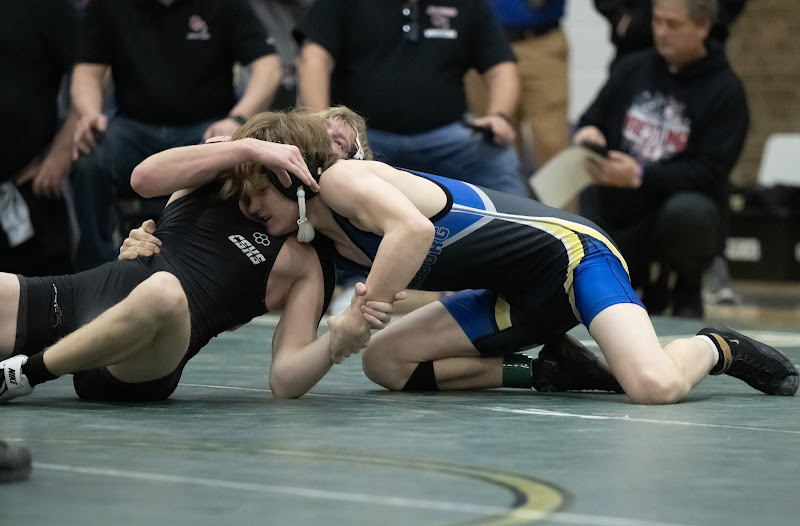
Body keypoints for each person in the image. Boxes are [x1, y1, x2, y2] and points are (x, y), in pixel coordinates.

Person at [115, 109, 798, 405]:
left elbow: (412, 234)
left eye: (254, 195)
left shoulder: (345, 183)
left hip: (573, 257)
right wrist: (157, 241)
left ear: (288, 172)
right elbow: (151, 180)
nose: (248, 211)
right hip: (513, 294)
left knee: (651, 387)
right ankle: (552, 370)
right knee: (386, 363)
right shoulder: (310, 235)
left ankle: (715, 347)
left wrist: (363, 309)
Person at [0, 113, 400, 404]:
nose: (252, 203)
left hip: (144, 357)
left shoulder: (307, 264)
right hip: (87, 297)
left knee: (164, 291)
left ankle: (22, 374)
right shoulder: (224, 169)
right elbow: (142, 179)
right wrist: (243, 145)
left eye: (262, 192)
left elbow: (284, 379)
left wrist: (335, 342)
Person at [70, 0, 282, 271]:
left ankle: (212, 265)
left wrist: (237, 119)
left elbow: (268, 67)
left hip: (206, 127)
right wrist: (90, 113)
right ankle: (95, 270)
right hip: (132, 127)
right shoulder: (109, 6)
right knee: (90, 157)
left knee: (227, 158)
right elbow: (87, 71)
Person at [573, 0, 749, 318]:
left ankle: (686, 283)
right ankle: (635, 277)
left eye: (673, 25)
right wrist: (589, 133)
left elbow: (710, 173)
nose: (661, 32)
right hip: (621, 208)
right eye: (657, 21)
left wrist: (640, 175)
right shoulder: (631, 67)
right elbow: (591, 118)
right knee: (583, 195)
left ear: (703, 27)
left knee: (691, 212)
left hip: (675, 212)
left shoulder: (726, 90)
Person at [294, 0, 527, 196]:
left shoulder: (468, 4)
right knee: (322, 163)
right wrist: (319, 125)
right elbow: (314, 58)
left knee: (496, 153)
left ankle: (520, 230)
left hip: (449, 140)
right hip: (363, 136)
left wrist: (499, 115)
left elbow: (501, 69)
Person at [0, 0, 80, 276]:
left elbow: (95, 68)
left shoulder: (47, 7)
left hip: (30, 189)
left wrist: (62, 151)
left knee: (48, 295)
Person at [465, 0, 570, 174]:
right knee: (496, 140)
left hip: (538, 40)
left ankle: (557, 193)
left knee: (552, 141)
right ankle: (503, 192)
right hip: (481, 42)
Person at [593, 0, 748, 69]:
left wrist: (706, 18)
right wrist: (620, 16)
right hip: (635, 46)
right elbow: (592, 121)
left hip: (699, 59)